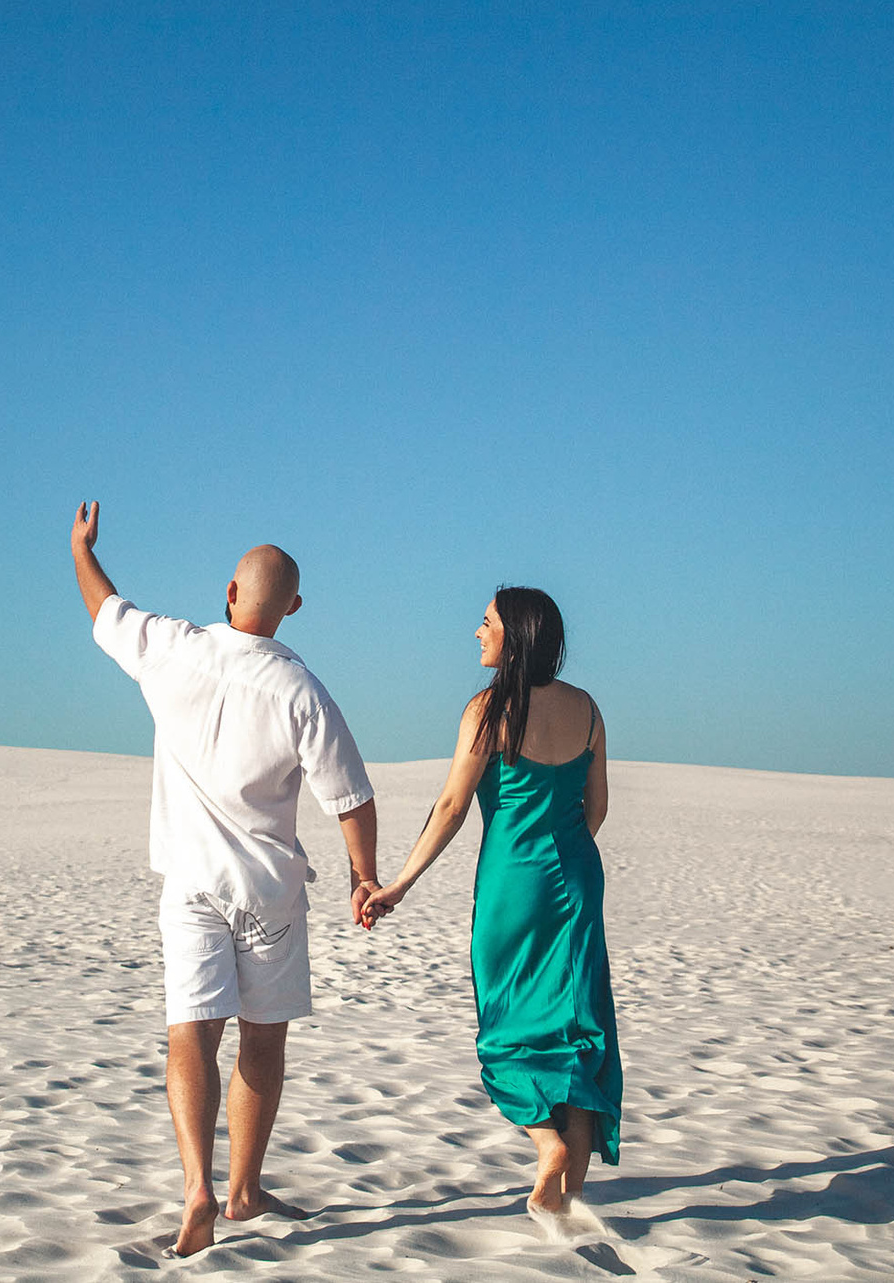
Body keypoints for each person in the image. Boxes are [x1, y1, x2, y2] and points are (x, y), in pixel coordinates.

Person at [70, 502, 382, 1257]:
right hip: (269, 893)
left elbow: (105, 605)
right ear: (294, 608)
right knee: (262, 1041)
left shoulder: (174, 649)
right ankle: (244, 1187)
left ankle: (198, 1188)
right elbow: (351, 797)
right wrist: (363, 877)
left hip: (191, 886)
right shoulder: (301, 688)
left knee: (191, 1035)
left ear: (230, 593)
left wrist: (80, 547)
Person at [362, 585, 622, 1238]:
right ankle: (571, 1202)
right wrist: (564, 849)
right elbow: (596, 808)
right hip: (577, 876)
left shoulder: (489, 708)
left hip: (513, 882)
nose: (477, 633)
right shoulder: (587, 709)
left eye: (486, 623)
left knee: (506, 1026)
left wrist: (397, 882)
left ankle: (546, 1146)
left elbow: (451, 807)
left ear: (517, 635)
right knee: (579, 1027)